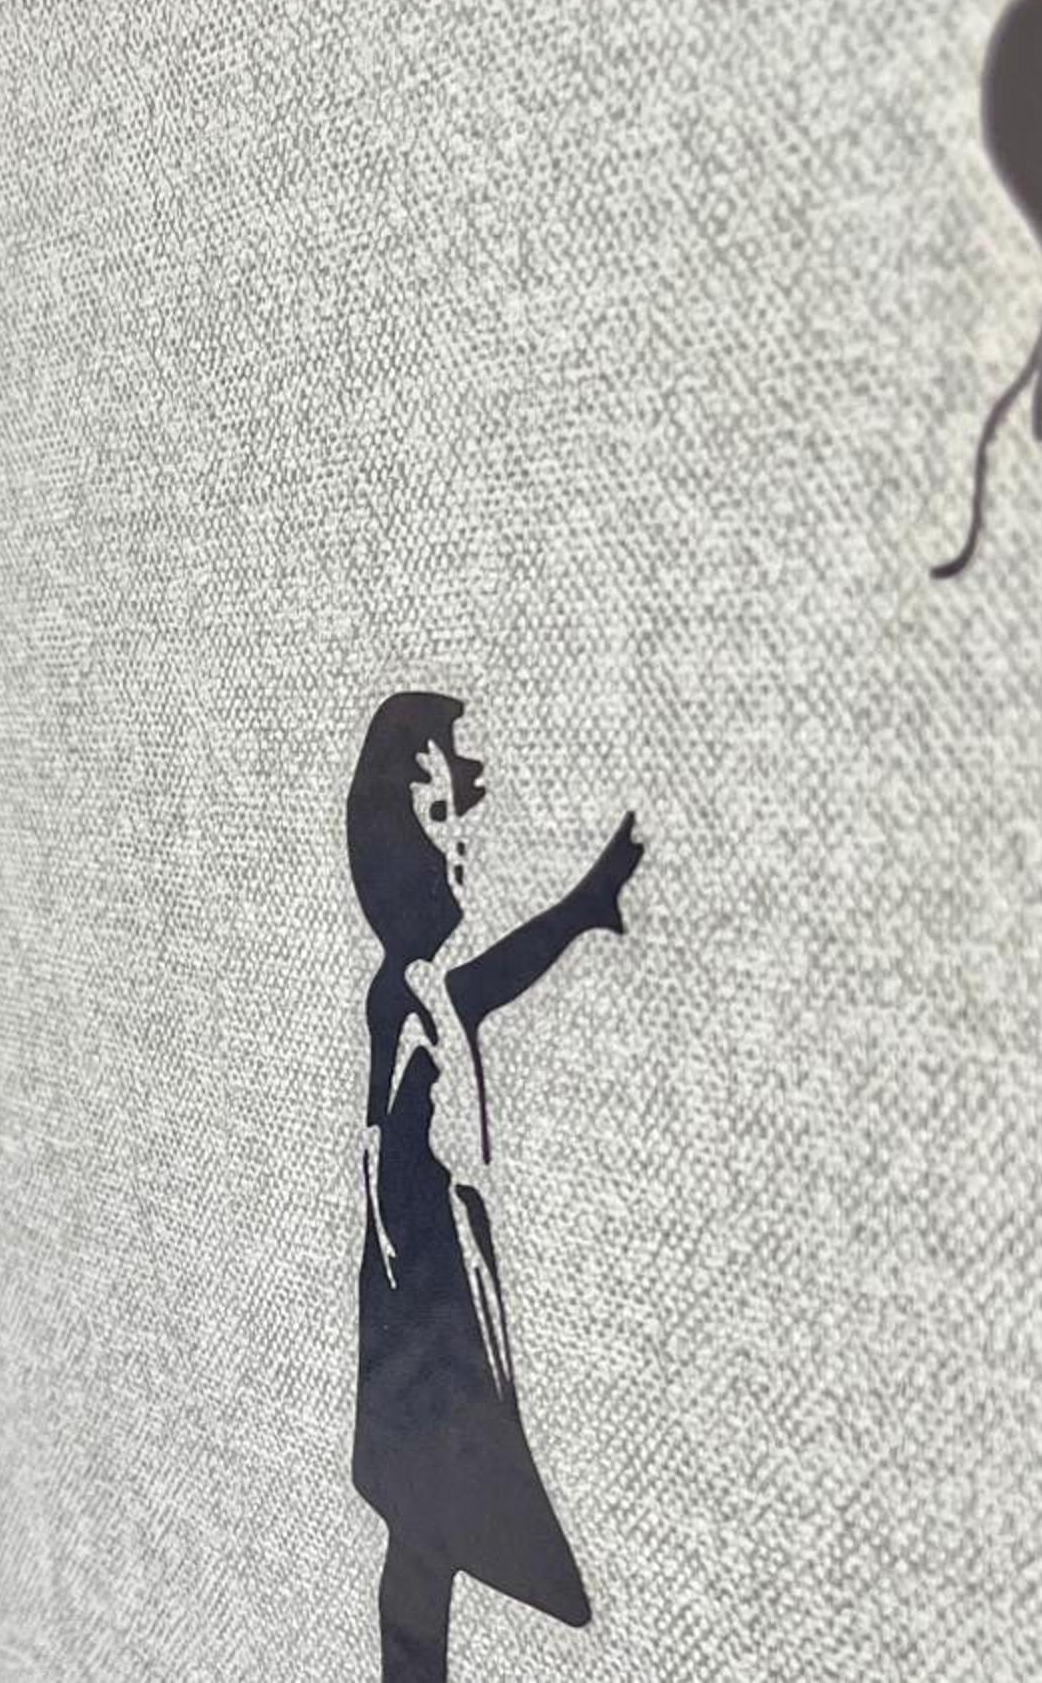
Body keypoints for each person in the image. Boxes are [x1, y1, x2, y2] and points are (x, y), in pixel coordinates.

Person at [344, 691, 642, 1683]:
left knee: (423, 1536)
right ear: (391, 845)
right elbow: (392, 1164)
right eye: (436, 817)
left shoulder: (424, 990)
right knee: (427, 1531)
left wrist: (582, 908)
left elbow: (488, 984)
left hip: (426, 1312)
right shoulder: (404, 1000)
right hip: (424, 1316)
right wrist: (418, 1246)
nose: (459, 838)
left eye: (458, 812)